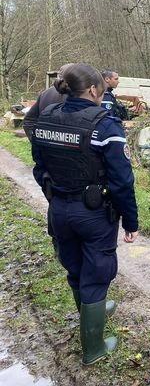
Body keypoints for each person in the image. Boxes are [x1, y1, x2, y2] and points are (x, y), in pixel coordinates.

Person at [31, 63, 139, 365]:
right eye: (102, 89)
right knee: (96, 274)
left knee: (75, 268)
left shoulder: (47, 118)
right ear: (93, 90)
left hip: (59, 209)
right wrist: (131, 222)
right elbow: (122, 181)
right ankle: (94, 348)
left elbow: (39, 167)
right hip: (93, 214)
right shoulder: (105, 125)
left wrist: (57, 195)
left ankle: (91, 311)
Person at [23, 63, 73, 255]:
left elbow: (29, 121)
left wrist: (40, 144)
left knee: (55, 200)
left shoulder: (45, 94)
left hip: (50, 160)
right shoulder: (78, 95)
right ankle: (65, 245)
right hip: (71, 158)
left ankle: (58, 242)